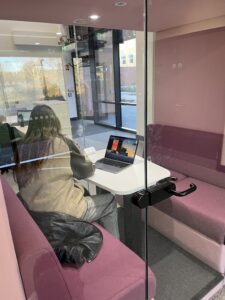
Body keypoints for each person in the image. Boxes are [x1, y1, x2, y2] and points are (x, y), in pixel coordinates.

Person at [15, 105, 120, 239]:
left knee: (83, 191)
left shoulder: (23, 147)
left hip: (35, 213)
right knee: (110, 202)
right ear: (54, 122)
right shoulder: (60, 143)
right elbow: (85, 171)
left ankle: (91, 230)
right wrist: (79, 151)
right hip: (60, 217)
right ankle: (116, 247)